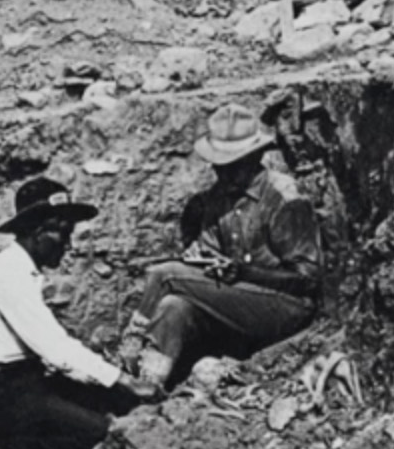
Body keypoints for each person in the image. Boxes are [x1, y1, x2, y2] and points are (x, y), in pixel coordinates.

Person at [0, 175, 136, 449]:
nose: (67, 245)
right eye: (62, 234)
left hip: (25, 382)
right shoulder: (7, 276)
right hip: (4, 395)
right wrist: (121, 380)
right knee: (97, 436)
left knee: (102, 407)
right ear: (38, 231)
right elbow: (55, 347)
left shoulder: (19, 271)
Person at [129, 109, 326, 395]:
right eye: (219, 165)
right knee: (174, 306)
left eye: (233, 165)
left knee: (164, 275)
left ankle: (130, 349)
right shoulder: (218, 199)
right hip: (237, 305)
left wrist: (247, 273)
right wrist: (204, 264)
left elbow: (308, 279)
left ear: (254, 157)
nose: (224, 173)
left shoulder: (284, 197)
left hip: (286, 308)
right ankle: (147, 387)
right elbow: (209, 257)